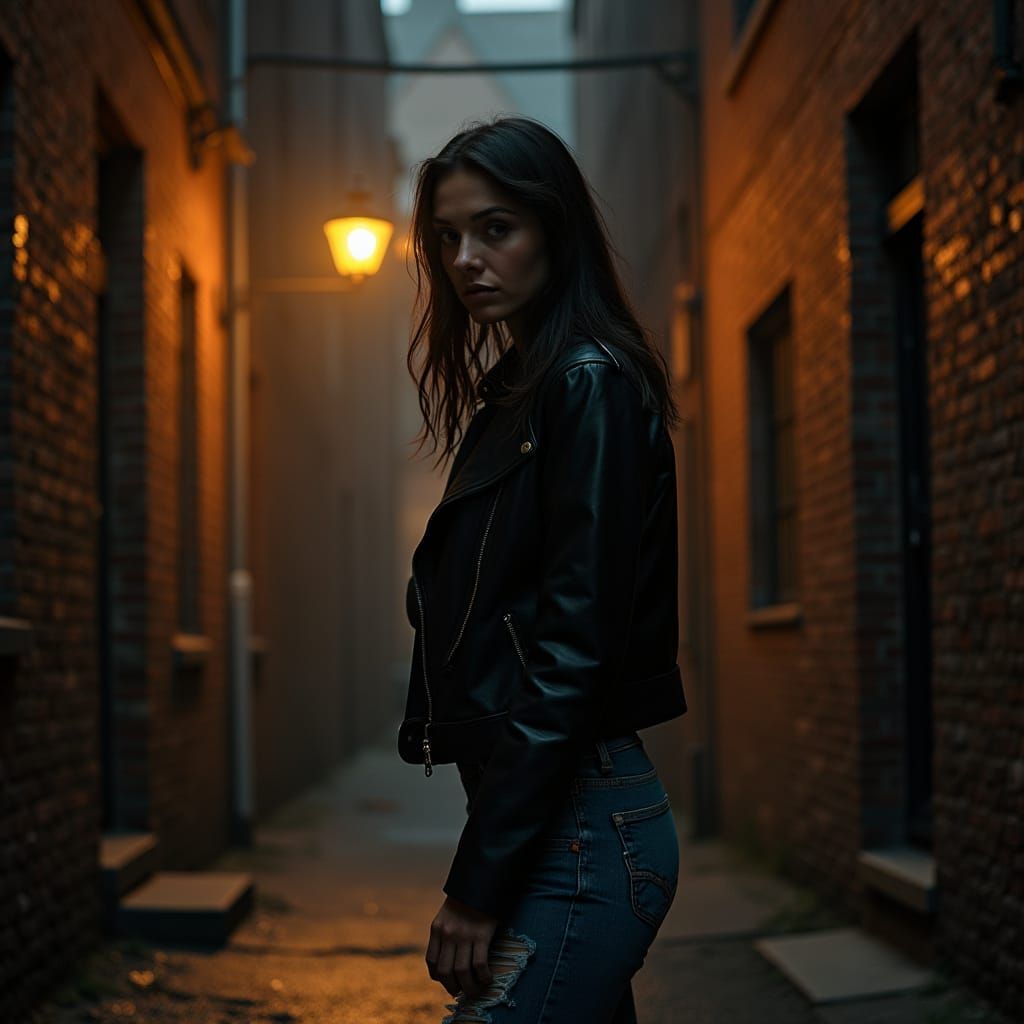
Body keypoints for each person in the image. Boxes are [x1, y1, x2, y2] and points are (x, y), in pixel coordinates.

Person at [398, 115, 688, 1023]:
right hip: (557, 824)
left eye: (496, 228)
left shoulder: (584, 386)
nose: (465, 260)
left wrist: (476, 887)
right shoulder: (524, 393)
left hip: (583, 832)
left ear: (553, 229)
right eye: (448, 238)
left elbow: (571, 652)